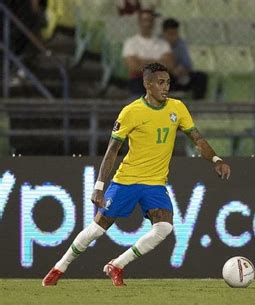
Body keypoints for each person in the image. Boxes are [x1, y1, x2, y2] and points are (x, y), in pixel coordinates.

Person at [42, 63, 231, 287]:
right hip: (127, 180)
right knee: (97, 229)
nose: (166, 87)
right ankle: (59, 267)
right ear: (147, 84)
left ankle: (117, 265)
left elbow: (197, 139)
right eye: (160, 82)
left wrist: (216, 160)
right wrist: (100, 185)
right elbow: (112, 150)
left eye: (168, 82)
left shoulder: (177, 108)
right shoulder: (131, 112)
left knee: (164, 228)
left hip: (155, 183)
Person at [122, 9, 174, 97]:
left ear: (153, 23)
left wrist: (142, 61)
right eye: (144, 20)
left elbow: (169, 65)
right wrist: (158, 62)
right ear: (139, 22)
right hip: (139, 81)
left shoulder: (163, 44)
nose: (147, 23)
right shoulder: (131, 43)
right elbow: (133, 66)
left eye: (150, 20)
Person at [161, 18, 208, 100]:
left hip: (179, 75)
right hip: (164, 75)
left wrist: (182, 68)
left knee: (201, 77)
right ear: (164, 33)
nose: (173, 37)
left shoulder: (180, 44)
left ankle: (198, 104)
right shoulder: (156, 44)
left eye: (175, 33)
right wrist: (171, 68)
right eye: (170, 34)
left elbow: (188, 64)